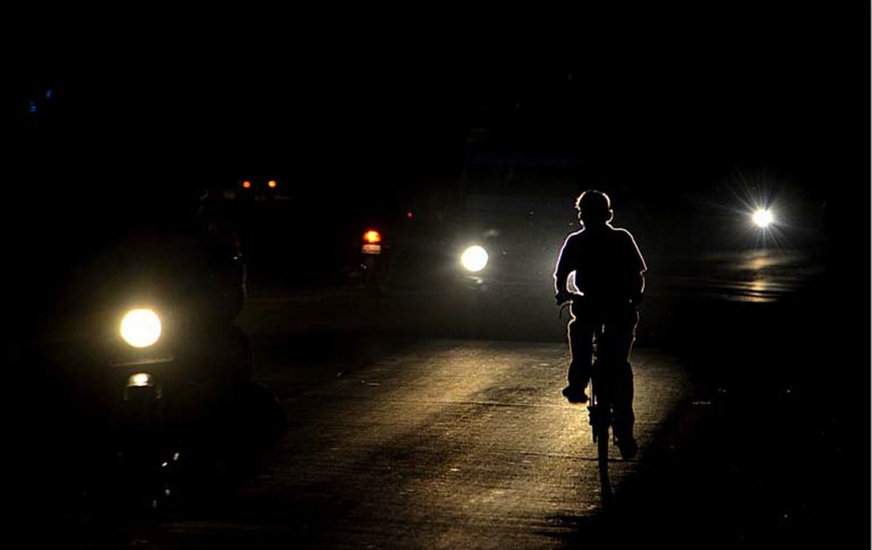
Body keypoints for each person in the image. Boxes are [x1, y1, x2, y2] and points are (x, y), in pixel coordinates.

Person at [553, 189, 647, 459]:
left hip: (602, 304)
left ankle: (578, 382)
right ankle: (624, 431)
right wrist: (636, 296)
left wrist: (562, 293)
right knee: (618, 364)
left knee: (582, 335)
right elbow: (638, 275)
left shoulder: (580, 241)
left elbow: (561, 275)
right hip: (615, 306)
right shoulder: (620, 238)